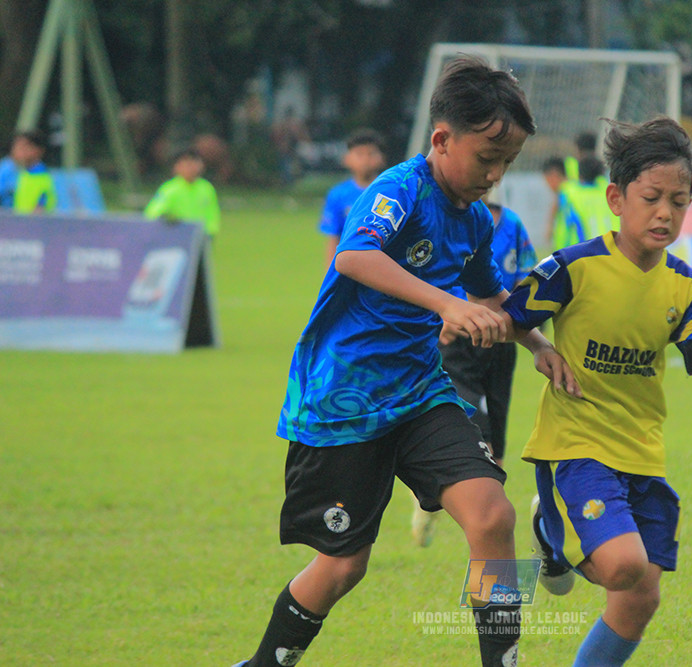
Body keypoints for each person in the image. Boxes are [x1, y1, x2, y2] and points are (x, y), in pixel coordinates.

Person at [230, 56, 579, 667]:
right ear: (442, 140)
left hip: (419, 393)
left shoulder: (475, 220)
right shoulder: (400, 189)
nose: (495, 175)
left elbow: (490, 295)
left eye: (507, 162)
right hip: (344, 402)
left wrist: (538, 345)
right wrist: (446, 304)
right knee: (343, 567)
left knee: (493, 516)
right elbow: (353, 256)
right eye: (487, 158)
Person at [496, 116, 692, 667]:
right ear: (617, 198)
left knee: (640, 599)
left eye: (678, 202)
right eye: (652, 198)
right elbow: (509, 316)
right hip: (576, 447)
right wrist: (539, 346)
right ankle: (549, 529)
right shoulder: (574, 268)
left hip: (641, 454)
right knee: (624, 567)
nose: (665, 213)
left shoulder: (685, 288)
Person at [413, 198, 537, 546]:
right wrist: (442, 313)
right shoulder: (440, 217)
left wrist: (535, 339)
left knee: (497, 458)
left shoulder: (510, 224)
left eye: (500, 170)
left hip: (500, 341)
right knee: (481, 449)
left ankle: (505, 580)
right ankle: (433, 497)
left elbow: (521, 282)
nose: (492, 175)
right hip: (456, 341)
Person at [318, 128, 387, 266]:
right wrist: (330, 272)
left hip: (384, 263)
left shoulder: (389, 191)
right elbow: (334, 237)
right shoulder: (338, 194)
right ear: (347, 159)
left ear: (382, 159)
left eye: (371, 154)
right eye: (359, 154)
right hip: (352, 266)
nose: (366, 160)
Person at [144, 148, 221, 238]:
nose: (191, 168)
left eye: (194, 163)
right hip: (177, 236)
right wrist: (169, 219)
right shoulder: (170, 189)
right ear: (177, 167)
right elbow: (152, 213)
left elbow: (212, 214)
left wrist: (211, 231)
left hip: (202, 236)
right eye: (187, 164)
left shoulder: (206, 188)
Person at [553, 155, 617, 250]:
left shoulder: (570, 194)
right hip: (612, 248)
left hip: (585, 252)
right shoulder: (609, 192)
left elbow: (563, 229)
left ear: (579, 174)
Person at [5, 129, 56, 214]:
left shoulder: (47, 177)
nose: (16, 151)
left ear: (37, 150)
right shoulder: (17, 173)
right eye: (15, 147)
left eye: (23, 147)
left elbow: (42, 206)